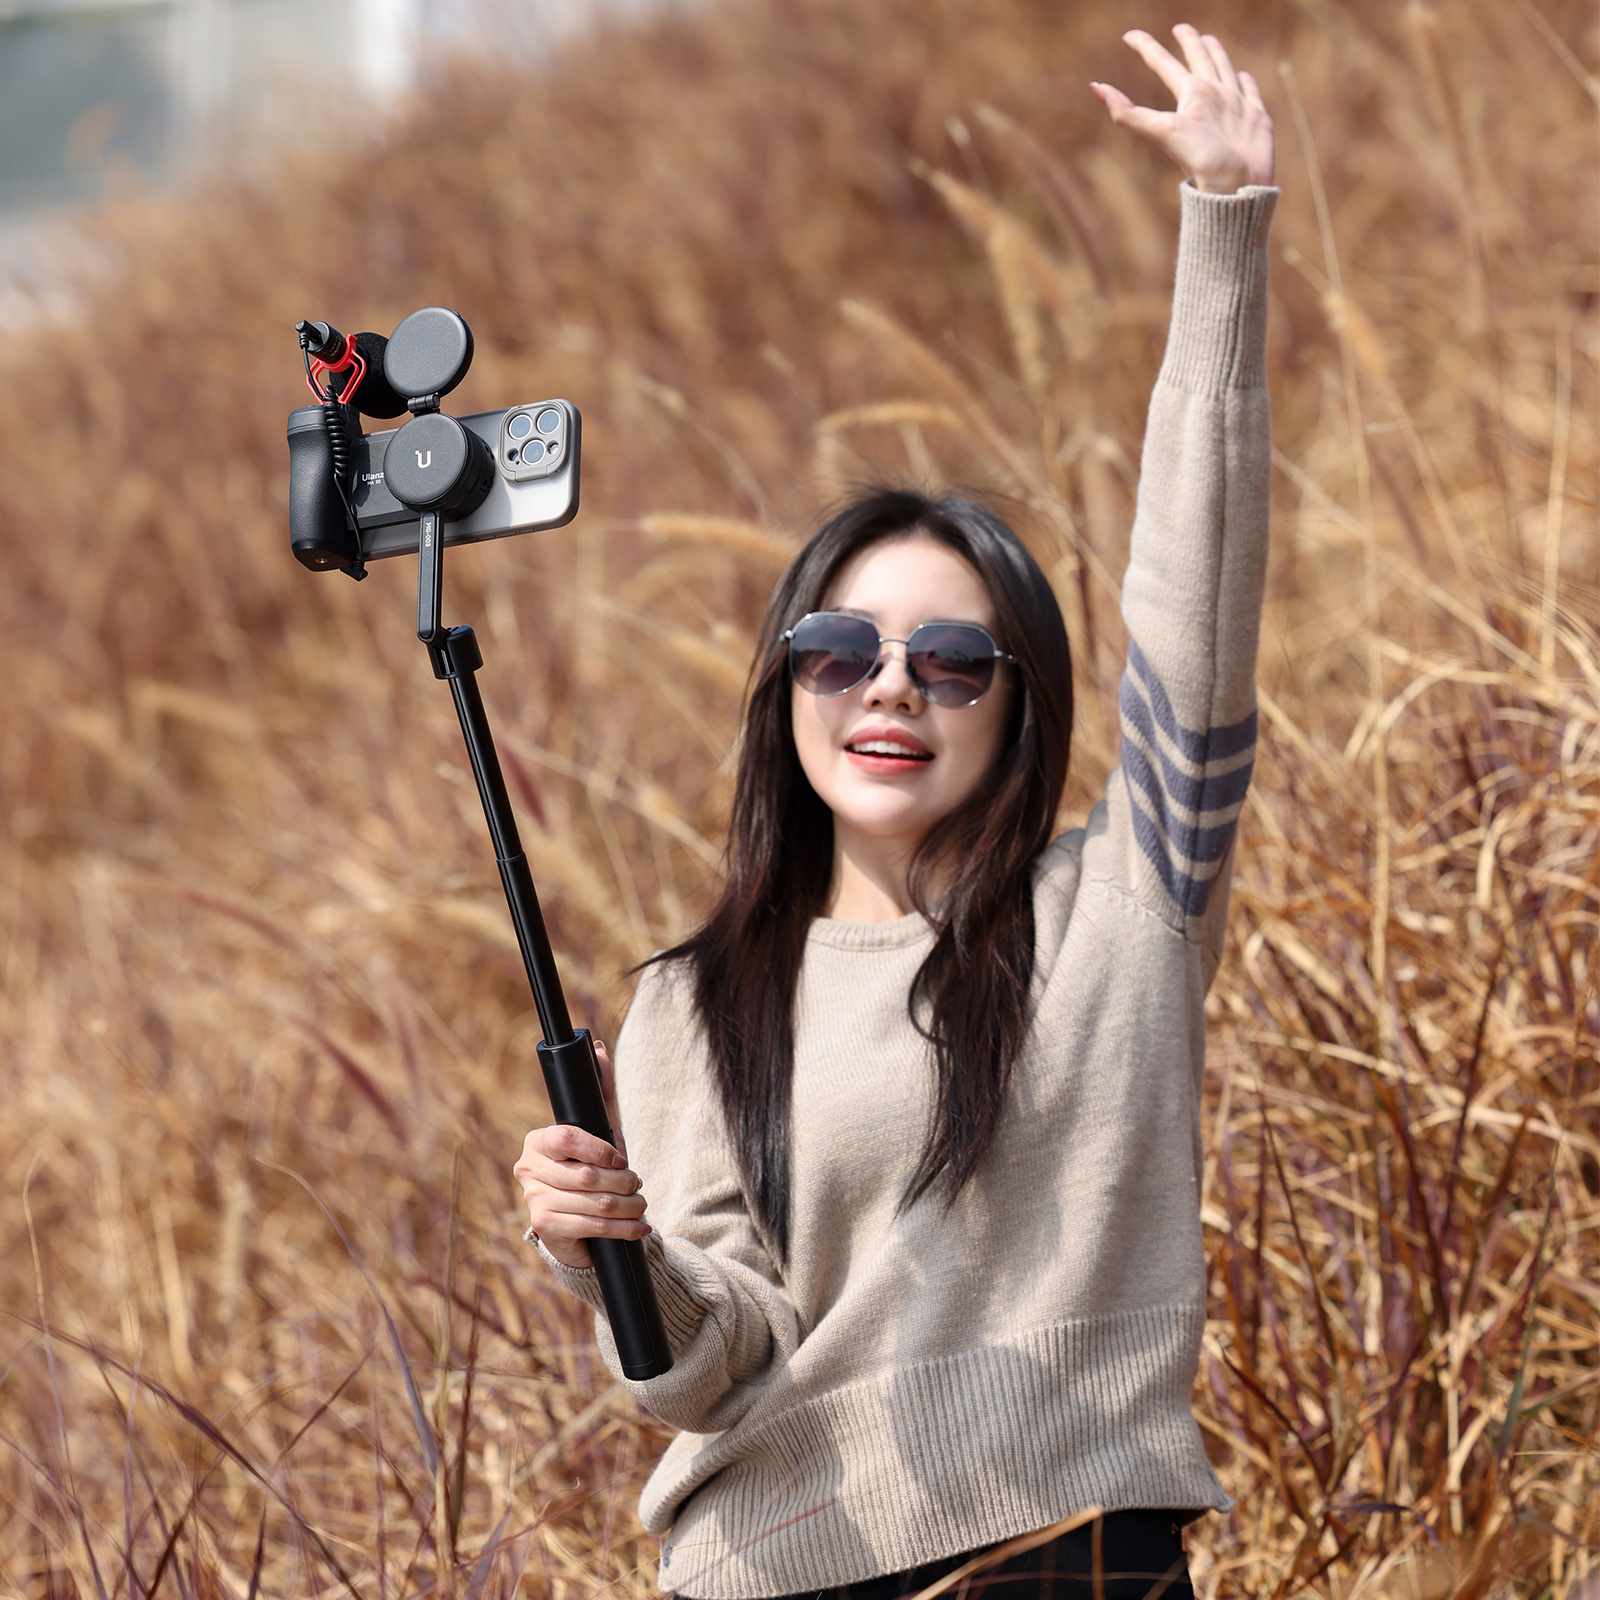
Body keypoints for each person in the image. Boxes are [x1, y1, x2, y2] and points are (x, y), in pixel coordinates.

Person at [516, 23, 1276, 1600]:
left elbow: (1198, 621)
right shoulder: (688, 1000)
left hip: (1071, 1551)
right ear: (782, 684)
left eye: (947, 660)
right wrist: (619, 1258)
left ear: (1019, 704)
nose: (888, 691)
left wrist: (1224, 234)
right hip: (778, 1561)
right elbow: (704, 1374)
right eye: (838, 652)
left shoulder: (1128, 904)